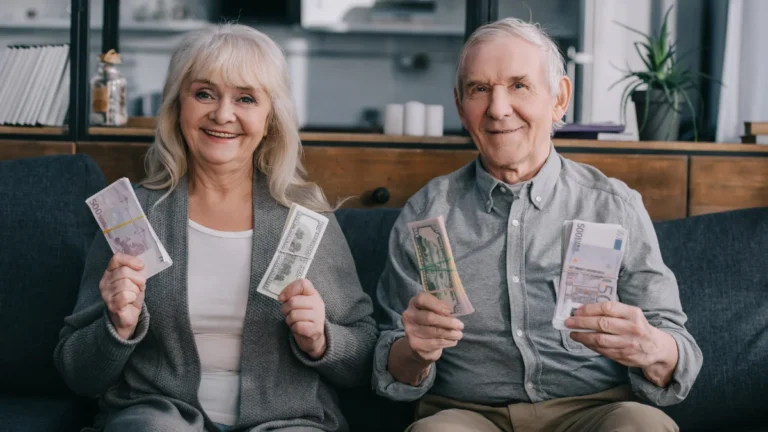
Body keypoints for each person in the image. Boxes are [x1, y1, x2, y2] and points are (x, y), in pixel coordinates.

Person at [373, 17, 702, 432]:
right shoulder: (425, 215)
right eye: (479, 89)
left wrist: (651, 346)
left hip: (595, 412)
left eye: (518, 85)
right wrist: (414, 352)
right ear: (461, 106)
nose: (497, 108)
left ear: (559, 98)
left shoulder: (614, 207)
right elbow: (388, 365)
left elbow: (682, 354)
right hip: (469, 415)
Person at [55, 24, 377, 432]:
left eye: (246, 98)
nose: (223, 115)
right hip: (156, 416)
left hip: (287, 421)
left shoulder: (305, 217)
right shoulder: (133, 215)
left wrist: (322, 341)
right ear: (177, 105)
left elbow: (367, 358)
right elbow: (78, 375)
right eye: (204, 93)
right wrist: (116, 327)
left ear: (270, 118)